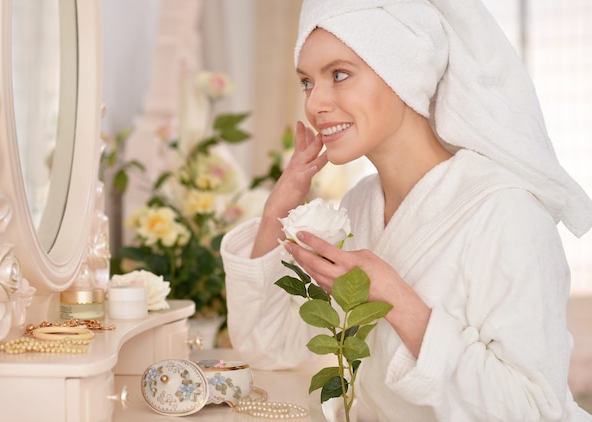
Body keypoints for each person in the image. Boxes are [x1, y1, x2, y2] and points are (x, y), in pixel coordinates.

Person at [220, 0, 592, 420]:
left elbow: (533, 410)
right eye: (307, 81)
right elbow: (267, 347)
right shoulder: (360, 207)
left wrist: (396, 298)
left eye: (339, 74)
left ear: (403, 71)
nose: (315, 102)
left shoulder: (506, 211)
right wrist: (276, 213)